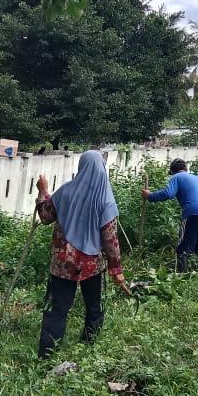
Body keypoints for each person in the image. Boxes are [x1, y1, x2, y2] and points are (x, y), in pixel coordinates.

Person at [35, 150, 129, 358]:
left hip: (63, 263)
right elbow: (111, 240)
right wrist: (117, 269)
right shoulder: (106, 200)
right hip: (92, 264)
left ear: (81, 167)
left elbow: (45, 216)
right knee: (94, 305)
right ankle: (88, 346)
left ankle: (47, 354)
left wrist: (43, 191)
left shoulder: (65, 192)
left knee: (57, 309)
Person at [142, 158, 198, 272]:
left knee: (183, 247)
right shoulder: (196, 177)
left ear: (172, 171)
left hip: (193, 212)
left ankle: (182, 277)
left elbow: (168, 193)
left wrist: (150, 196)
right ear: (185, 169)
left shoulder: (176, 177)